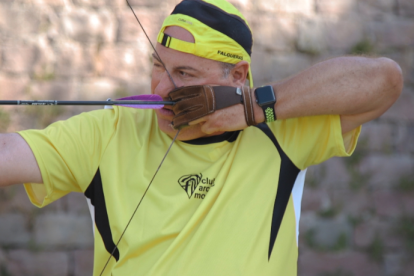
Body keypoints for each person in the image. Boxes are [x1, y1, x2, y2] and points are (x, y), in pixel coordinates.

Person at [0, 0, 403, 275]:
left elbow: (385, 80)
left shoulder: (279, 130)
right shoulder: (112, 128)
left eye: (185, 75)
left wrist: (254, 108)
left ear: (238, 76)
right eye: (157, 65)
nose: (160, 88)